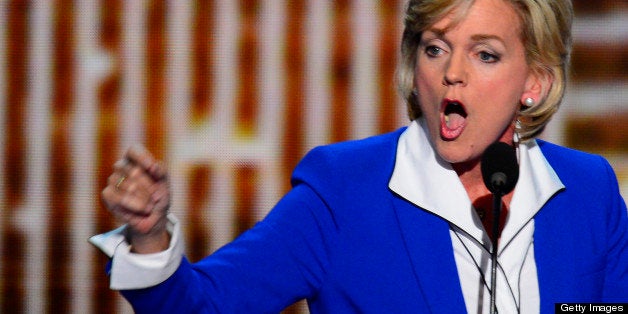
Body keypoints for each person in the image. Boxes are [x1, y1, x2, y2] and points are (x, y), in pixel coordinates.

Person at [90, 0, 628, 312]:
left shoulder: (588, 189)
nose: (452, 73)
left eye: (485, 53)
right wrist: (149, 238)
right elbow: (201, 305)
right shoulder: (344, 191)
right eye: (435, 47)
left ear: (533, 81)